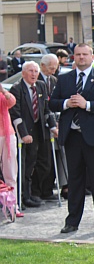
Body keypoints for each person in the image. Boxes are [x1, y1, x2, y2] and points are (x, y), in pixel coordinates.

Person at [49, 43, 94, 234]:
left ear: (91, 57)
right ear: (74, 57)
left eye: (85, 54)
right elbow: (52, 103)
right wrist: (66, 103)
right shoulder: (65, 79)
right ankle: (72, 221)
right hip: (72, 137)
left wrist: (86, 104)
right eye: (78, 54)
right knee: (75, 181)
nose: (81, 57)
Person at [9, 61, 56, 209]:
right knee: (24, 166)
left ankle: (32, 193)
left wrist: (54, 126)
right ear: (23, 73)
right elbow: (15, 113)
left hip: (38, 130)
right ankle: (22, 197)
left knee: (39, 163)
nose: (34, 74)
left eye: (36, 71)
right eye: (31, 71)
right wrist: (23, 134)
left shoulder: (41, 86)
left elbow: (46, 109)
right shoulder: (16, 89)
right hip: (23, 132)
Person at [32, 54, 60, 202]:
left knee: (50, 160)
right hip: (40, 127)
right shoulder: (36, 79)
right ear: (42, 66)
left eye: (55, 68)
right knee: (42, 161)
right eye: (51, 68)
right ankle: (36, 191)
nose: (53, 71)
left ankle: (47, 189)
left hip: (53, 123)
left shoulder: (54, 80)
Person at [0, 85, 22, 217]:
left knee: (11, 172)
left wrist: (3, 91)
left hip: (8, 135)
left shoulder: (3, 93)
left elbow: (11, 102)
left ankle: (13, 205)